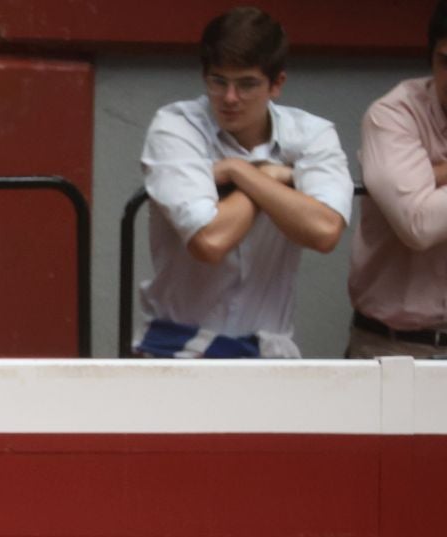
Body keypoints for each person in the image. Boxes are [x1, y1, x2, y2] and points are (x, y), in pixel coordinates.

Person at [135, 7, 352, 358]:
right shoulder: (176, 125)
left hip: (267, 353)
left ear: (276, 84)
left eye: (247, 83)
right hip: (176, 346)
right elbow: (209, 240)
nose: (230, 98)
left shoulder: (311, 134)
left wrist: (240, 173)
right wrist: (264, 176)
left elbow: (325, 230)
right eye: (219, 81)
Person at [346, 0, 447, 358]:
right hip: (394, 347)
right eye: (445, 60)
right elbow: (418, 223)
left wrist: (434, 176)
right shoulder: (393, 113)